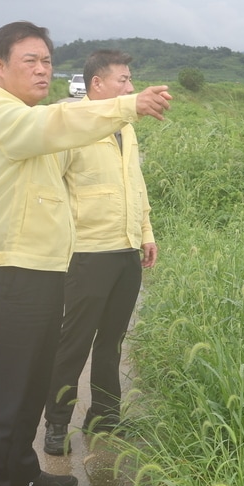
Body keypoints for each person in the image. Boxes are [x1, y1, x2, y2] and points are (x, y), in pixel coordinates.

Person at [0, 22, 171, 486]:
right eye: (30, 60)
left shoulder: (36, 118)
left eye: (47, 62)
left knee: (32, 380)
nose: (41, 70)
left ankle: (20, 470)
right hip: (9, 268)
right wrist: (128, 105)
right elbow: (57, 126)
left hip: (44, 267)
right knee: (5, 388)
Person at [43, 50, 157, 455]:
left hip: (126, 250)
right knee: (72, 342)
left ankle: (105, 416)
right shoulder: (70, 123)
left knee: (112, 340)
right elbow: (51, 188)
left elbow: (134, 181)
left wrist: (146, 231)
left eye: (130, 80)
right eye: (123, 80)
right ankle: (56, 423)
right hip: (87, 253)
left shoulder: (126, 125)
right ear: (98, 84)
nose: (130, 87)